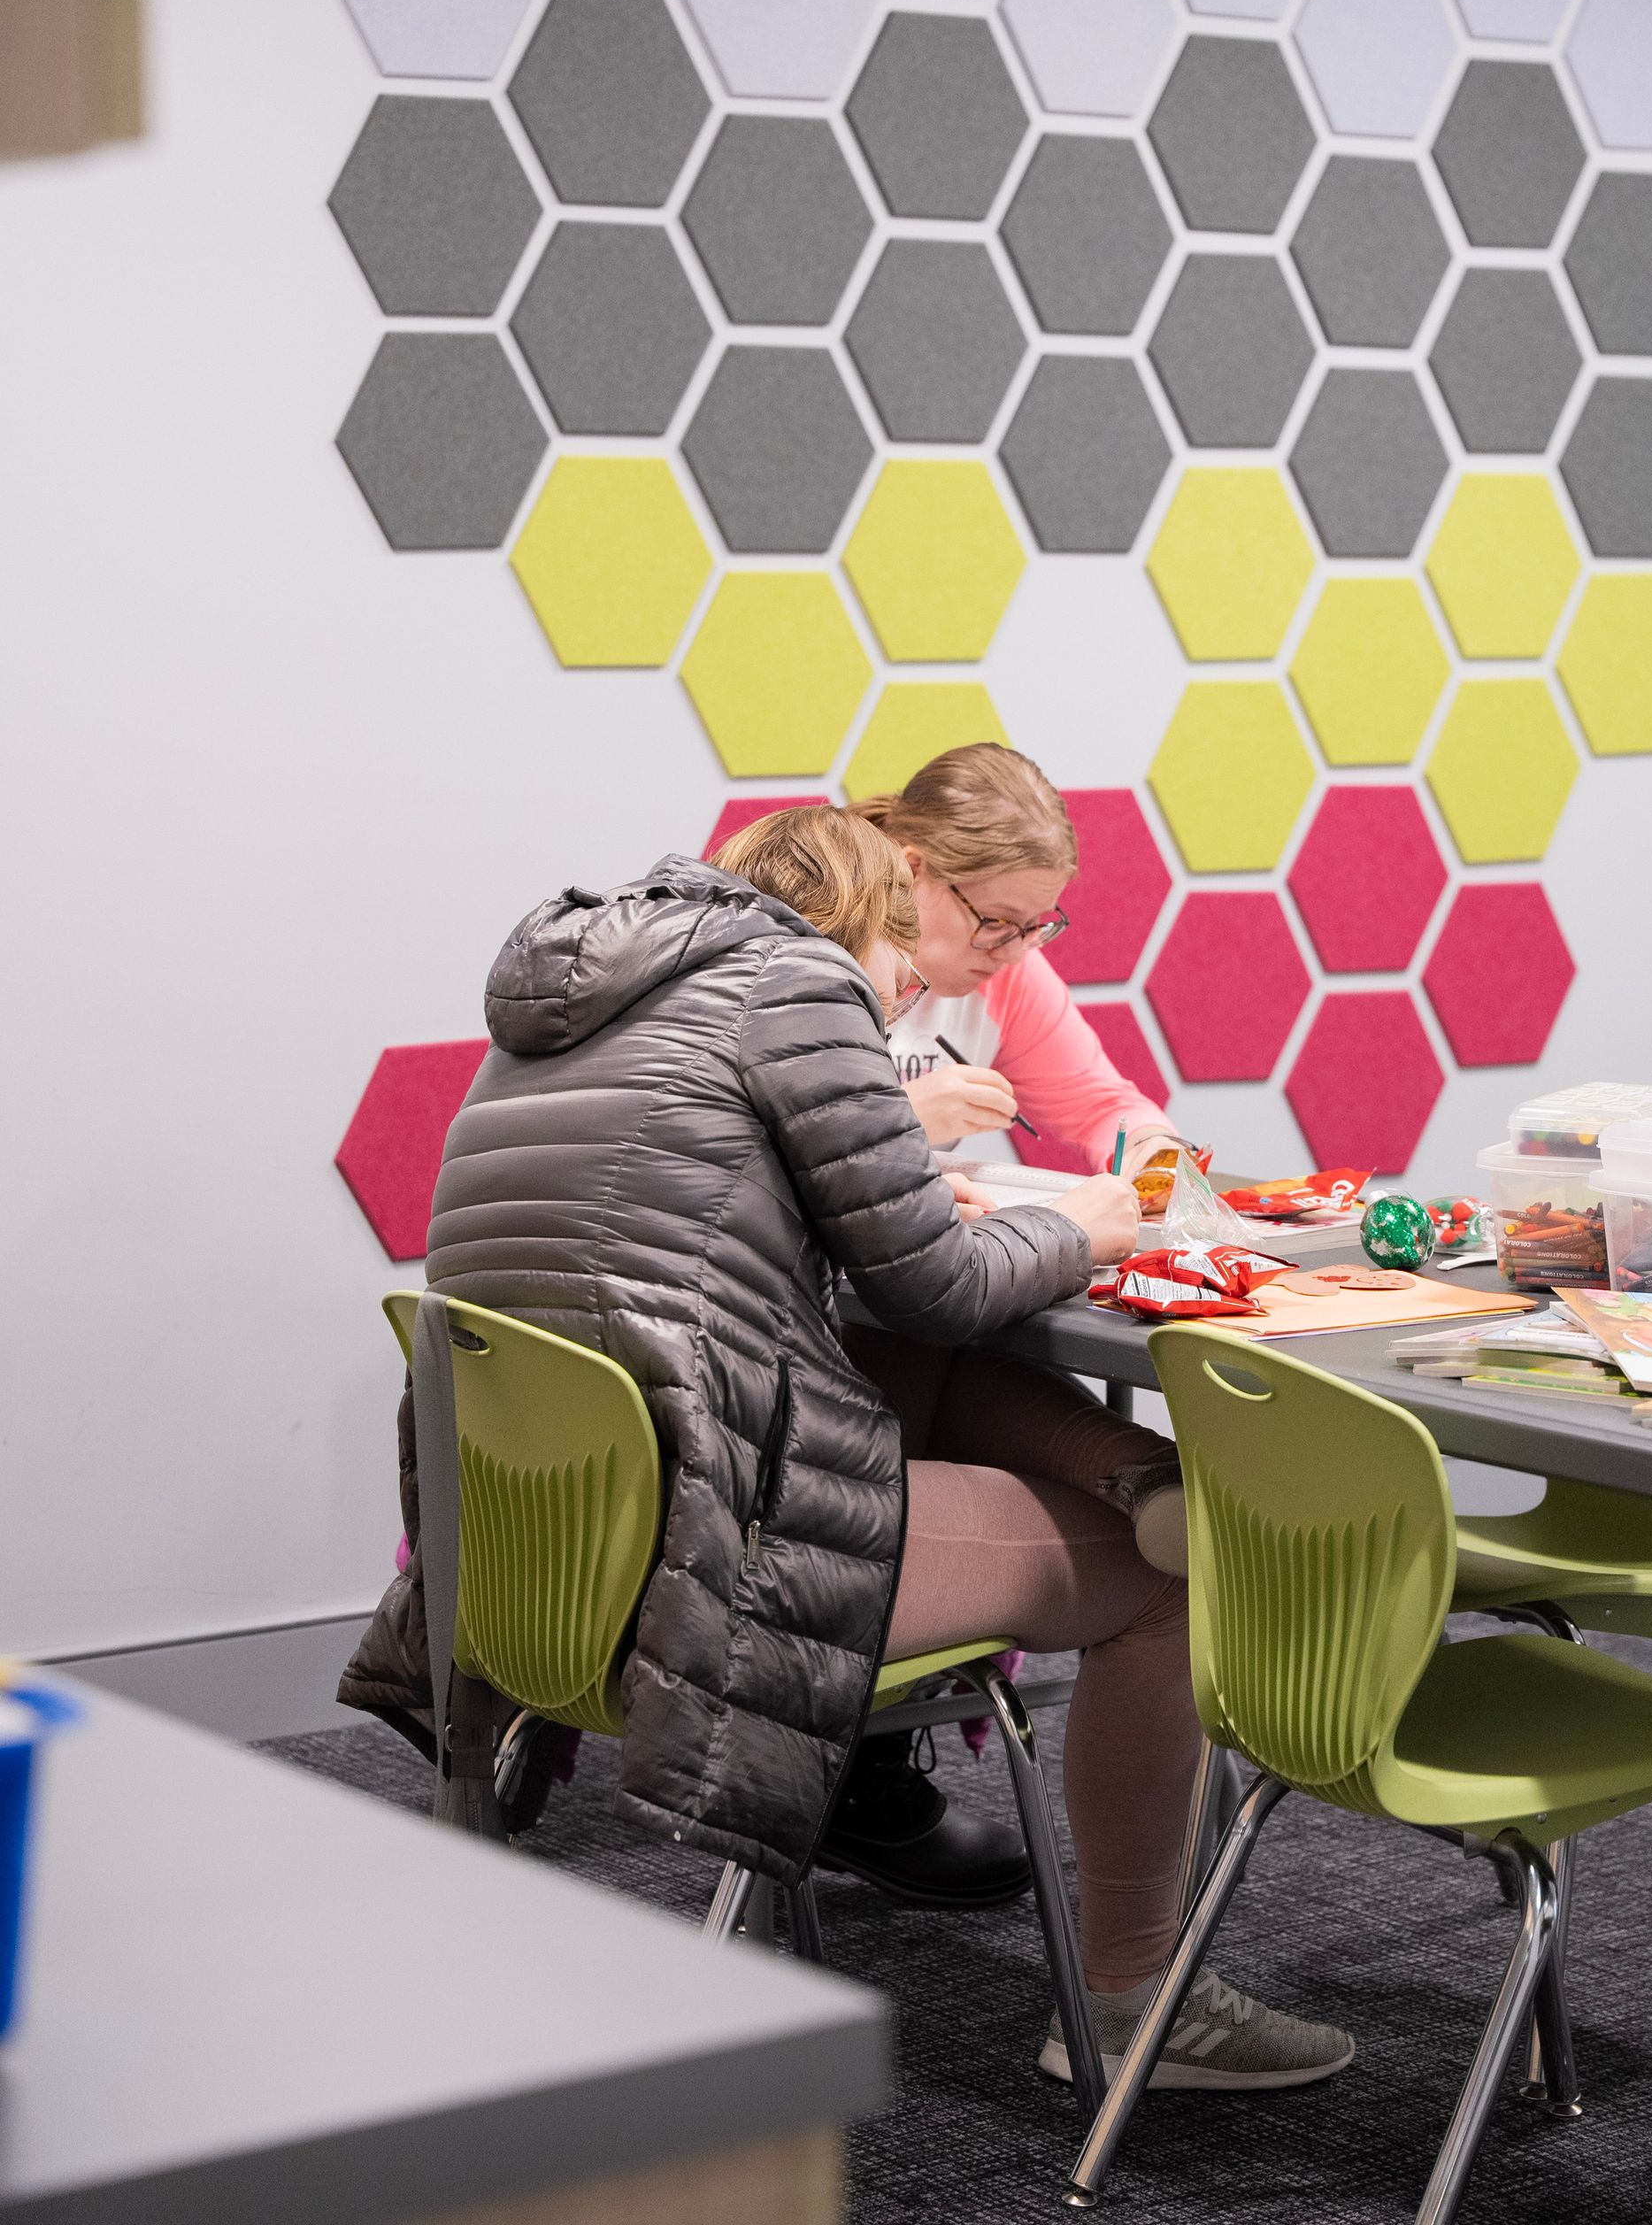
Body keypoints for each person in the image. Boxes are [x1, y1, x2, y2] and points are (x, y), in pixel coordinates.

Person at [343, 809, 1349, 2090]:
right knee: (1176, 1579)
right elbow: (938, 1285)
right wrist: (1086, 1228)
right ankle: (1137, 2005)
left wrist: (920, 1190)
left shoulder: (576, 1003)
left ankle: (1144, 1479)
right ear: (866, 915)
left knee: (913, 1373)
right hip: (710, 1564)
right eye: (904, 962)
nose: (910, 991)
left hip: (538, 1564)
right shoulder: (803, 983)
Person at [851, 743, 1178, 1173]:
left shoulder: (1007, 977)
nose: (1012, 953)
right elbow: (762, 1149)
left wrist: (1152, 1150)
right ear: (913, 869)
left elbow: (1101, 1107)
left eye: (1031, 925)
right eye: (996, 921)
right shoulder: (800, 951)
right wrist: (895, 1119)